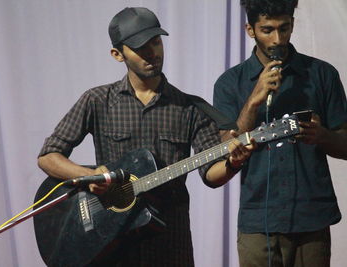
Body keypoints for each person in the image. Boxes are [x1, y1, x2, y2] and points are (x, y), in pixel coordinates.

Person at [38, 7, 252, 266]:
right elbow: (48, 156)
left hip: (170, 242)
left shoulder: (191, 107)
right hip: (111, 241)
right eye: (140, 47)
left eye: (156, 42)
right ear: (118, 54)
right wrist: (88, 177)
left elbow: (210, 175)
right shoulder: (97, 101)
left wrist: (234, 162)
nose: (152, 52)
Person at [213, 0, 347, 266]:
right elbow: (226, 148)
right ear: (250, 30)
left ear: (293, 24)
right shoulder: (230, 83)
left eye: (284, 28)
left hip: (311, 216)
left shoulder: (322, 74)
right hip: (258, 218)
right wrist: (253, 100)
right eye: (267, 30)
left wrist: (321, 135)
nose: (278, 39)